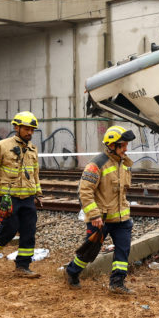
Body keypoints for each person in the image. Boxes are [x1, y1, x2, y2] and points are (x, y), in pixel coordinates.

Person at [64, 125, 136, 294]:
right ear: (112, 145)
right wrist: (94, 215)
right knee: (89, 252)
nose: (126, 149)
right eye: (123, 145)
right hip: (100, 220)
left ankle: (117, 283)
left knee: (123, 251)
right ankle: (72, 271)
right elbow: (85, 191)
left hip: (122, 219)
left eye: (126, 145)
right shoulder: (96, 165)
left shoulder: (124, 163)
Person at [0, 112, 43, 278]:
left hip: (28, 198)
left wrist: (38, 194)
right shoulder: (2, 146)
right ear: (16, 127)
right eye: (27, 129)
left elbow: (35, 173)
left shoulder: (32, 149)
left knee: (29, 231)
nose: (30, 132)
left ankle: (23, 266)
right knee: (9, 229)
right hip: (8, 197)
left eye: (32, 130)